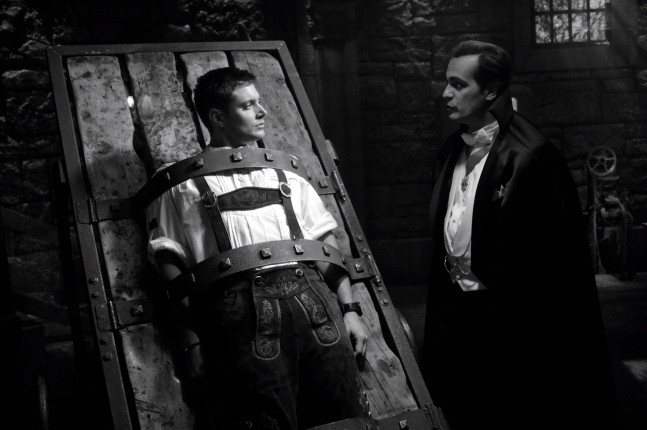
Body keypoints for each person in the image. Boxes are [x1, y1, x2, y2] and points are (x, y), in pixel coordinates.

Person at [146, 67, 368, 430]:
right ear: (217, 117)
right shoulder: (182, 184)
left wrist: (350, 310)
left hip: (315, 306)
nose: (262, 111)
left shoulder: (284, 171)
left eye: (259, 102)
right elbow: (170, 267)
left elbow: (325, 246)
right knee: (265, 422)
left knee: (343, 416)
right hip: (240, 316)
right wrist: (191, 342)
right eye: (248, 105)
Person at [422, 40, 619, 430]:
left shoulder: (531, 157)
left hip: (514, 330)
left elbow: (553, 269)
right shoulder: (450, 151)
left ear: (491, 90)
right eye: (447, 82)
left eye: (458, 84)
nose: (445, 93)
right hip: (458, 320)